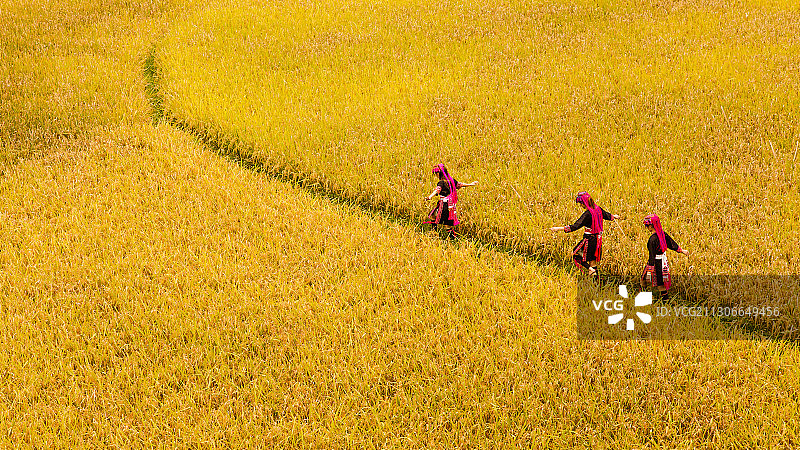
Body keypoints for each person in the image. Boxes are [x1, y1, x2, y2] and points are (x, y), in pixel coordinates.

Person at [550, 191, 619, 279]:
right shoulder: (598, 209)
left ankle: (590, 269)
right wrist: (614, 216)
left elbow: (575, 226)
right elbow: (607, 215)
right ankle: (595, 282)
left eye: (581, 204)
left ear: (584, 203)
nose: (581, 206)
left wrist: (558, 228)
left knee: (576, 254)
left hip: (589, 239)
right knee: (592, 261)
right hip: (598, 240)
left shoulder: (588, 214)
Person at [641, 214, 689, 301]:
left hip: (655, 262)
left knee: (644, 279)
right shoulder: (663, 235)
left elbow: (652, 255)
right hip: (663, 262)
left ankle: (645, 295)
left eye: (647, 226)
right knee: (661, 282)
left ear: (651, 226)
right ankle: (665, 300)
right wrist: (682, 250)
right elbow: (672, 244)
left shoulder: (652, 239)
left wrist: (649, 271)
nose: (647, 228)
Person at [424, 164, 478, 238]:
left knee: (435, 217)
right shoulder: (452, 181)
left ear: (439, 173)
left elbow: (437, 190)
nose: (436, 175)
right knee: (445, 221)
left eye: (436, 174)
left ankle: (436, 233)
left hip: (444, 204)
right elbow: (460, 184)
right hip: (451, 204)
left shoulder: (441, 182)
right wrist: (471, 184)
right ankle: (444, 235)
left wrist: (430, 197)